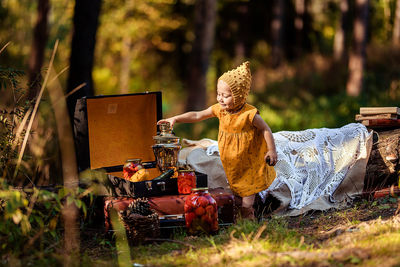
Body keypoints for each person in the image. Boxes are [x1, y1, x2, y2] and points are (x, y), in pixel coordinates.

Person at [158, 61, 278, 219]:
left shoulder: (249, 114)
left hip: (250, 162)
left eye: (226, 95)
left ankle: (249, 221)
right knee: (237, 191)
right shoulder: (220, 110)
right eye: (218, 94)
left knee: (247, 197)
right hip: (233, 164)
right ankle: (245, 213)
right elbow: (197, 115)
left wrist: (271, 150)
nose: (220, 99)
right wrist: (175, 118)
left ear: (239, 95)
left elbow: (265, 129)